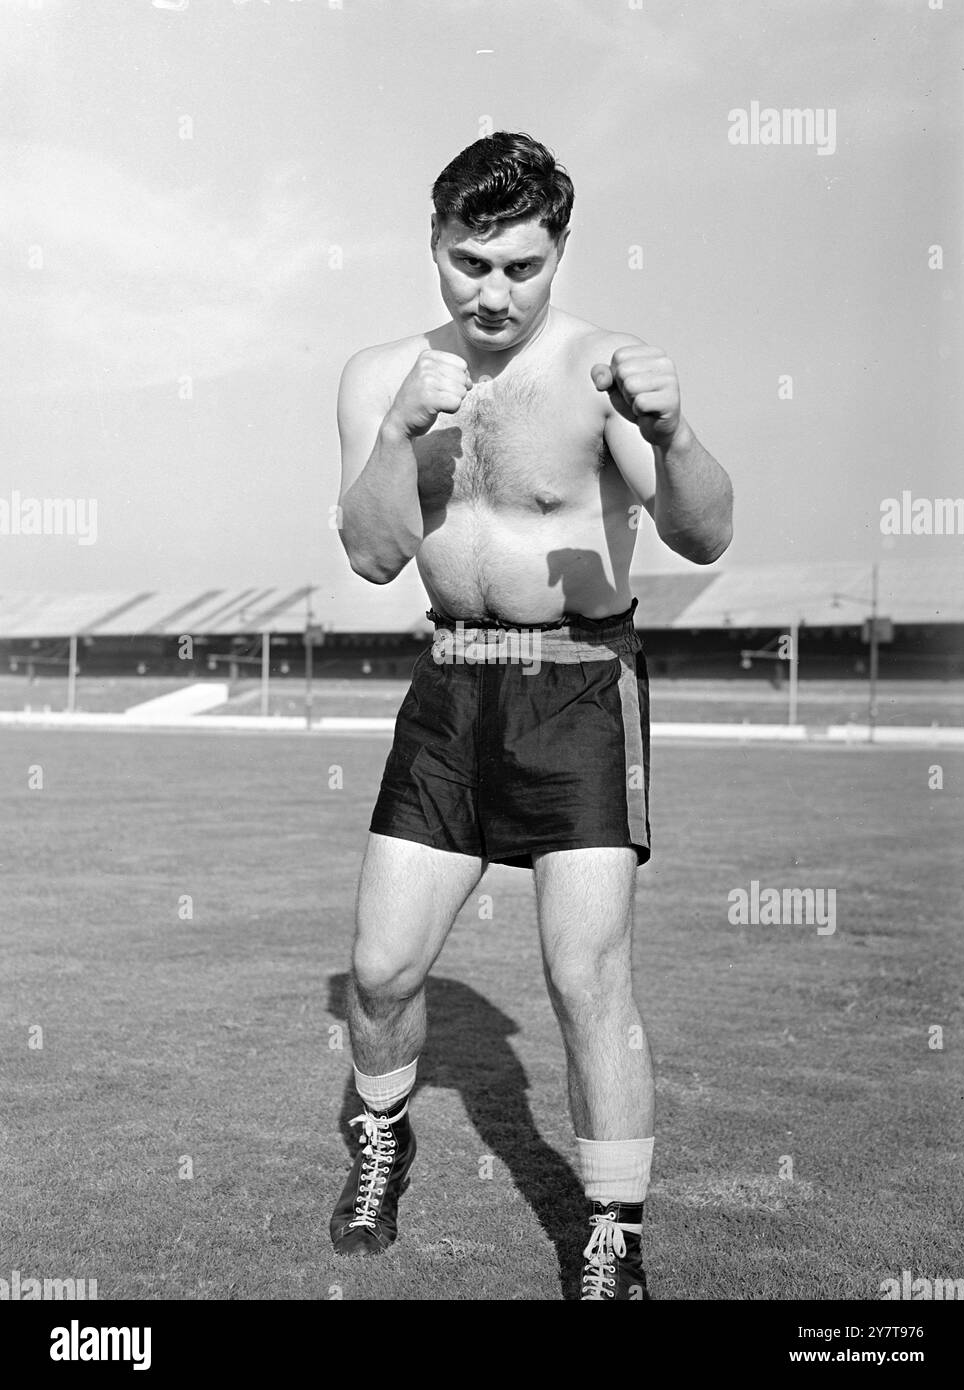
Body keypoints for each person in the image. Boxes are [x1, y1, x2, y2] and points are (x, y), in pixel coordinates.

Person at [330, 131, 733, 1300]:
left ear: (559, 250)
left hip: (577, 686)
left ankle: (612, 1232)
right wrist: (402, 435)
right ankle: (381, 1139)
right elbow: (368, 557)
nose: (492, 293)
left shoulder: (603, 368)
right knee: (379, 970)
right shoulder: (378, 376)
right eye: (467, 263)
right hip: (450, 681)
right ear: (435, 249)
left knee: (582, 972)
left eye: (519, 265)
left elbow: (704, 534)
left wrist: (672, 432)